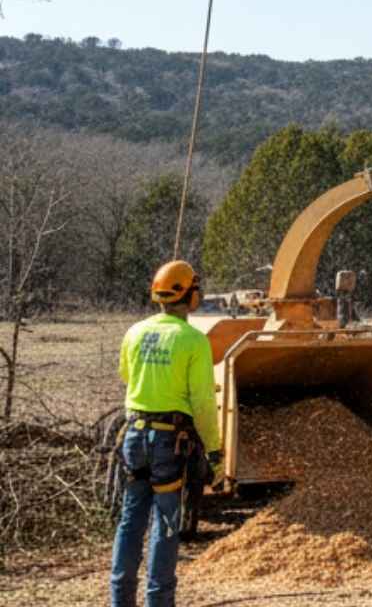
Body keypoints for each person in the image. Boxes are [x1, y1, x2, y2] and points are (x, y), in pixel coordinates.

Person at [110, 260, 222, 607]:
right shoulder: (193, 340)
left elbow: (127, 377)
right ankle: (159, 601)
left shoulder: (134, 332)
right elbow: (203, 402)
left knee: (130, 520)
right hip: (168, 441)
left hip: (134, 435)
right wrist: (215, 452)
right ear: (190, 295)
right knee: (167, 523)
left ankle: (121, 599)